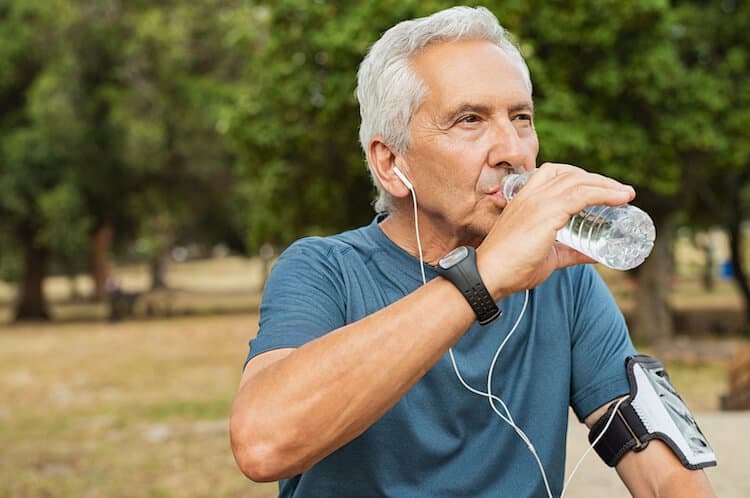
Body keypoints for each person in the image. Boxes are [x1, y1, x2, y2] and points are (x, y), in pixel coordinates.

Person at [230, 6, 715, 497]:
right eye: (470, 120)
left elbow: (665, 474)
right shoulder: (324, 271)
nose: (512, 149)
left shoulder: (563, 280)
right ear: (392, 162)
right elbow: (263, 445)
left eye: (521, 117)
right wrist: (481, 279)